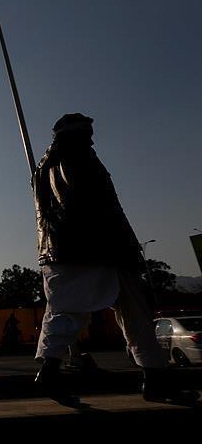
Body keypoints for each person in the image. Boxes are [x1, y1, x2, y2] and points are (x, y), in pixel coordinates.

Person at [32, 113, 198, 405]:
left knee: (67, 313)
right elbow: (100, 206)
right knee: (128, 313)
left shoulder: (43, 168)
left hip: (60, 251)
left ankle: (51, 371)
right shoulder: (79, 158)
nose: (92, 139)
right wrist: (125, 247)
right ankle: (154, 378)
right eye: (87, 133)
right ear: (75, 135)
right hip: (98, 249)